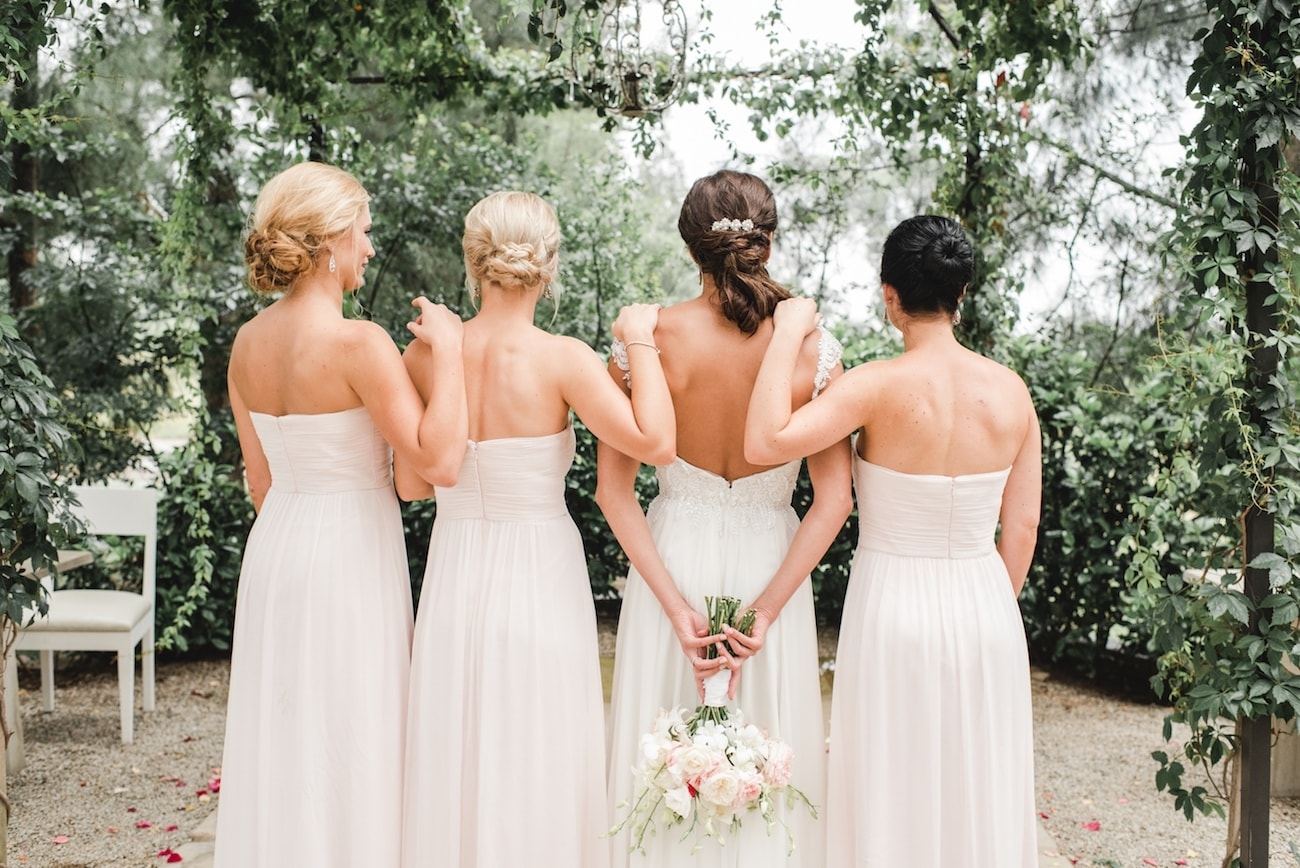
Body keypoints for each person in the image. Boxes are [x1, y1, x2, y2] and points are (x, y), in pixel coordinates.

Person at [744, 215, 1043, 867]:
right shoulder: (1013, 394)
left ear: (890, 296)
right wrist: (992, 606)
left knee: (888, 781)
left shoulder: (871, 387)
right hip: (988, 608)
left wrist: (789, 332)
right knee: (976, 782)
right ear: (962, 294)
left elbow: (763, 441)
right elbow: (1020, 527)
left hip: (892, 608)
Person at [398, 190, 676, 868]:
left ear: (473, 264)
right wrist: (639, 340)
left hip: (457, 560)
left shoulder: (428, 355)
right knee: (539, 735)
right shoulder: (564, 359)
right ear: (549, 268)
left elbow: (410, 485)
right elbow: (657, 442)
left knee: (456, 734)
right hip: (539, 570)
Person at [217, 161, 468, 868]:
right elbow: (434, 471)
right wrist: (447, 355)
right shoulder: (360, 344)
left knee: (287, 732)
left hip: (277, 552)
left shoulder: (247, 344)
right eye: (363, 230)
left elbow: (259, 482)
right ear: (328, 242)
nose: (370, 246)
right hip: (350, 557)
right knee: (353, 729)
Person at [599, 169, 853, 868]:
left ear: (692, 248)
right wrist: (769, 607)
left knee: (660, 756)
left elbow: (614, 493)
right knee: (770, 751)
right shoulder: (811, 349)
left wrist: (674, 603)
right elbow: (834, 498)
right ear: (766, 244)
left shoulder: (644, 342)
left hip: (669, 561)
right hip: (772, 562)